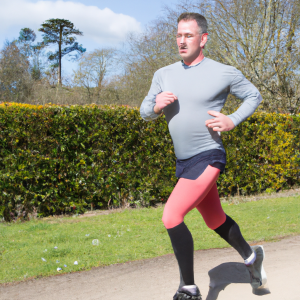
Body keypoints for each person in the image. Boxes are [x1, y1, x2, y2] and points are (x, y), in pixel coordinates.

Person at [140, 12, 267, 300]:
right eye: (178, 35)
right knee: (214, 219)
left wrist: (232, 119)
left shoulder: (224, 72)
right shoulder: (163, 74)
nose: (182, 41)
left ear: (203, 39)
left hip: (209, 154)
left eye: (188, 35)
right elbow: (144, 112)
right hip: (183, 161)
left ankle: (188, 288)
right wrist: (156, 106)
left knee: (172, 215)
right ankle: (252, 259)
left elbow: (253, 96)